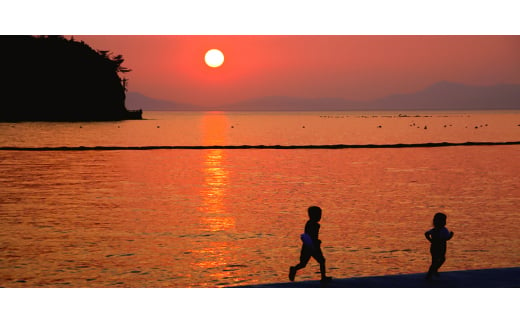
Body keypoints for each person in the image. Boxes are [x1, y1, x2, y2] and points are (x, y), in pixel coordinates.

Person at [289, 206, 332, 282]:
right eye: (318, 215)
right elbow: (311, 236)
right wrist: (316, 242)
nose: (320, 217)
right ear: (312, 215)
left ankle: (323, 277)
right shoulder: (313, 225)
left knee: (318, 261)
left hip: (308, 246)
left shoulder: (310, 223)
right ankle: (294, 269)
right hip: (311, 246)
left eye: (320, 215)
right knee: (307, 263)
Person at [424, 212, 454, 280]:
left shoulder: (434, 230)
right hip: (441, 247)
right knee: (441, 259)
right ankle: (431, 273)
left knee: (434, 261)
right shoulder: (444, 230)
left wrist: (430, 240)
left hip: (434, 247)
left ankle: (432, 272)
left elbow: (426, 234)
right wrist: (451, 235)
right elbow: (447, 238)